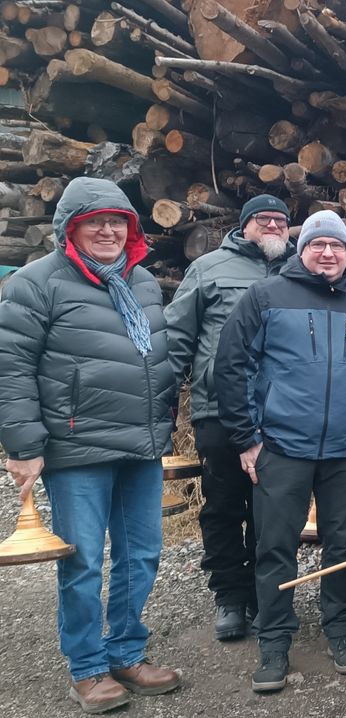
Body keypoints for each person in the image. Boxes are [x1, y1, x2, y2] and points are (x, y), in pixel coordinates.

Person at [0, 177, 181, 713]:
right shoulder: (35, 284)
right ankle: (87, 667)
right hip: (77, 446)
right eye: (94, 221)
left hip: (140, 445)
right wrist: (24, 445)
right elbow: (11, 370)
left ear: (132, 229)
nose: (108, 230)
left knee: (142, 555)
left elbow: (156, 358)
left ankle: (126, 651)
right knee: (82, 561)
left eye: (117, 221)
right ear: (69, 229)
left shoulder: (143, 282)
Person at [214, 210, 346, 694]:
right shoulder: (266, 295)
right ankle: (274, 640)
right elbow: (232, 365)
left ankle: (341, 628)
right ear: (301, 249)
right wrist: (246, 438)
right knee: (275, 547)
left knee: (343, 543)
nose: (327, 253)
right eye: (317, 245)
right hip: (283, 447)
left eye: (337, 246)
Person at [165, 194, 293, 642]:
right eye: (264, 219)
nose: (273, 226)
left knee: (270, 511)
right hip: (218, 409)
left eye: (281, 220)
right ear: (244, 224)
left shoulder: (299, 270)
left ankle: (263, 596)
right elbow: (177, 339)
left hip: (280, 414)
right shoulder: (209, 268)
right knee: (223, 506)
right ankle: (229, 596)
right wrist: (164, 412)